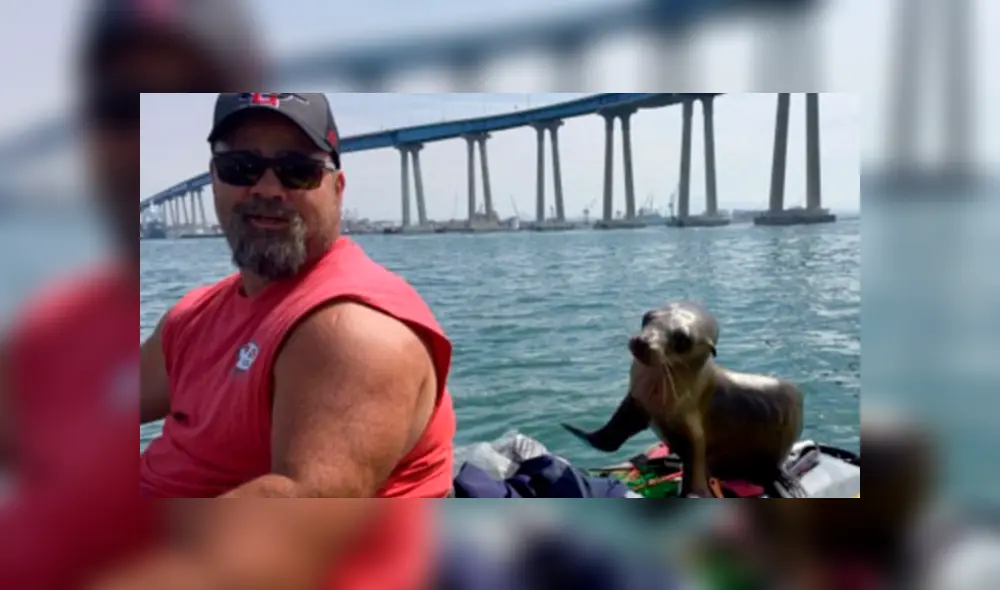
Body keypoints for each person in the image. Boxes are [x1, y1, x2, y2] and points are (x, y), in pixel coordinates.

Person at [132, 92, 455, 587]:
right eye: (240, 167)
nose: (267, 188)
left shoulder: (353, 330)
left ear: (337, 188)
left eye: (297, 170)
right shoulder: (197, 313)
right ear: (214, 180)